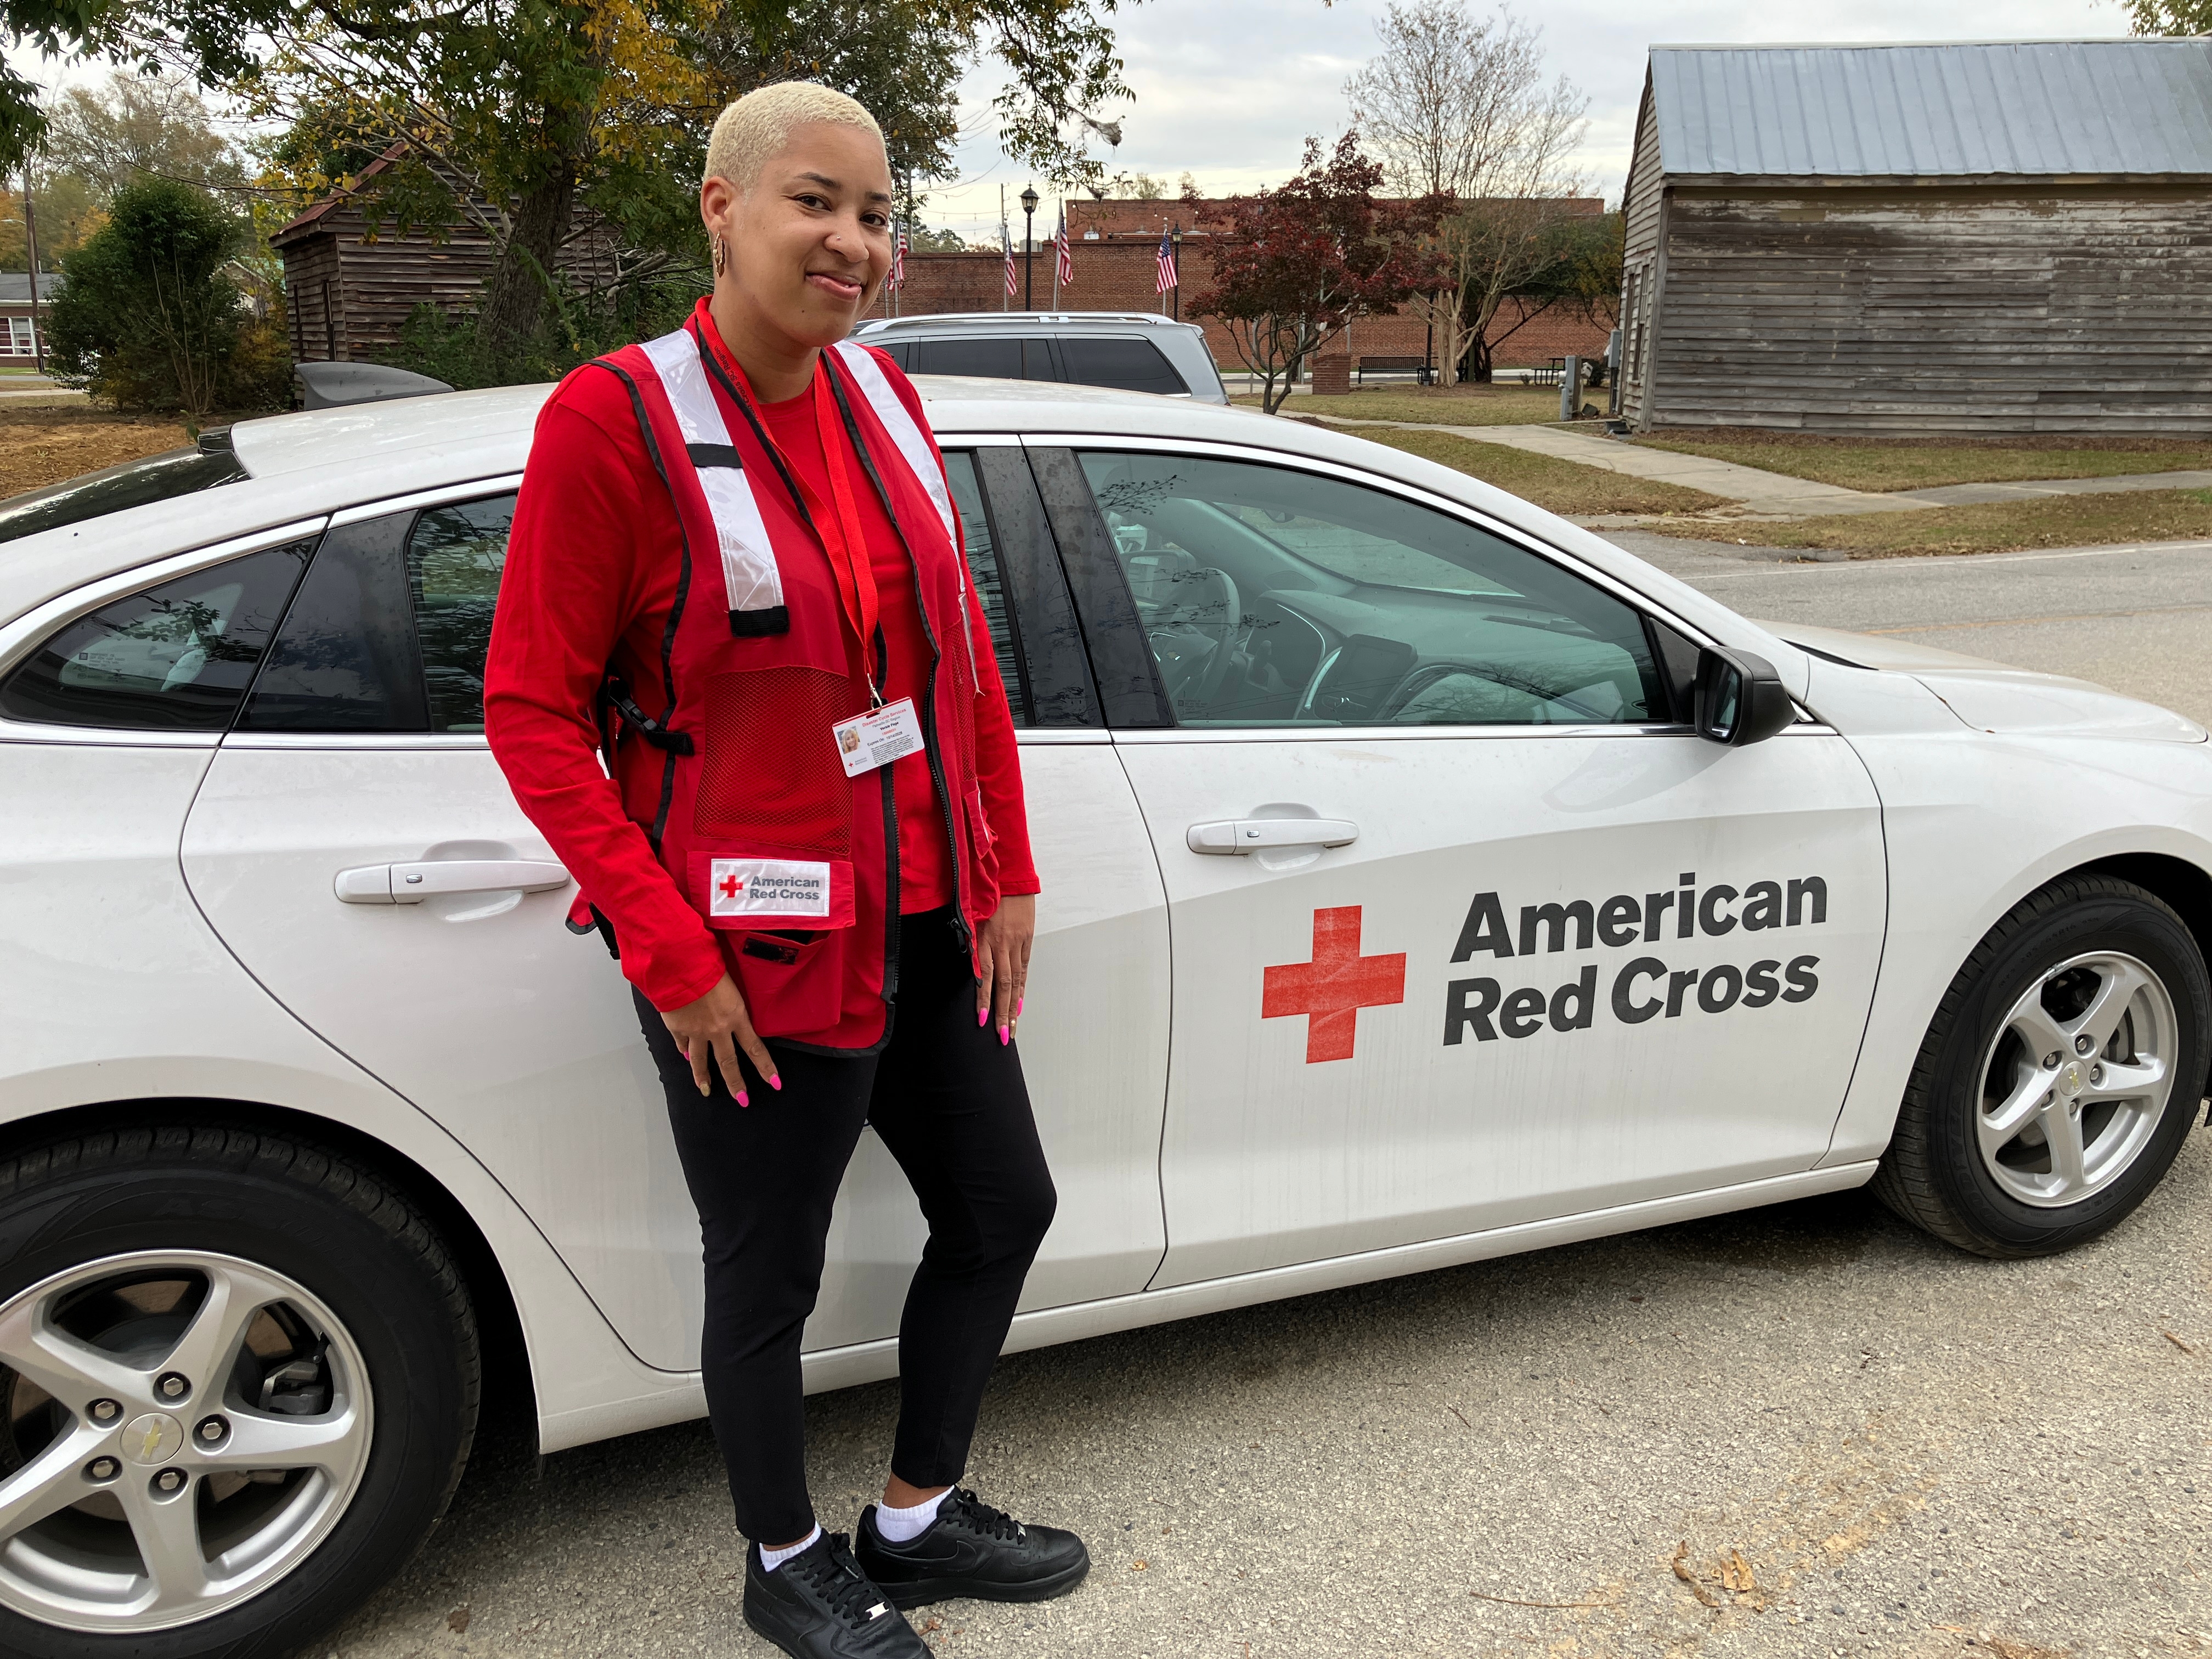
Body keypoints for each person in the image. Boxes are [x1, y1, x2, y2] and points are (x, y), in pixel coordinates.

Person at [484, 80, 1085, 1659]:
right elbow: (532, 713)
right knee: (772, 1269)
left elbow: (961, 670)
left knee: (1003, 1205)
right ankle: (784, 1556)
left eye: (878, 215)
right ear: (722, 207)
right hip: (750, 963)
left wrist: (1005, 868)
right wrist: (669, 955)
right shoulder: (612, 421)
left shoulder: (884, 399)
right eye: (816, 201)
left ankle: (916, 1515)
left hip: (926, 913)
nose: (853, 242)